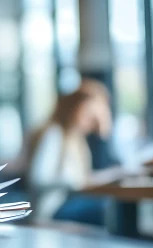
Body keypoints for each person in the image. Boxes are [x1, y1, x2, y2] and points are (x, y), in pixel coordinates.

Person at [21, 79, 113, 225]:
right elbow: (38, 177)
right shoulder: (54, 133)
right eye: (88, 113)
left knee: (110, 206)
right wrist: (75, 181)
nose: (89, 120)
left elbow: (84, 177)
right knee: (108, 209)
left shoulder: (76, 139)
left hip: (69, 203)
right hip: (52, 209)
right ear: (74, 108)